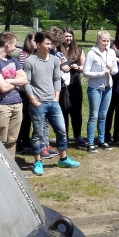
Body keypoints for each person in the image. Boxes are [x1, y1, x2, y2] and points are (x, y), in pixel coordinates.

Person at [24, 31, 81, 176]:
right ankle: (37, 161)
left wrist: (56, 97)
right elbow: (27, 82)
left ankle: (63, 158)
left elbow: (57, 79)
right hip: (38, 103)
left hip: (53, 102)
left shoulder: (55, 60)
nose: (50, 46)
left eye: (51, 43)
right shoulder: (30, 61)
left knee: (61, 130)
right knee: (38, 133)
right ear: (38, 44)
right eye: (47, 43)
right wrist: (33, 100)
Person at [0, 31, 27, 158]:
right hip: (2, 107)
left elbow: (25, 80)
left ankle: (12, 170)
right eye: (14, 45)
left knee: (12, 140)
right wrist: (16, 81)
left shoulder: (13, 61)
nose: (15, 48)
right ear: (7, 44)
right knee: (1, 141)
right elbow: (2, 88)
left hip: (17, 104)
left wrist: (9, 80)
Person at [83, 30, 118, 152]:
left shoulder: (112, 52)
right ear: (98, 40)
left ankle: (102, 140)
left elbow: (115, 71)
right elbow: (85, 72)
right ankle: (90, 142)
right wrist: (101, 73)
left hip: (108, 86)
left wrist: (111, 69)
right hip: (95, 87)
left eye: (108, 41)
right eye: (103, 40)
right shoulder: (92, 53)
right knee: (94, 115)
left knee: (103, 115)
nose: (106, 43)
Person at [58, 27, 85, 146]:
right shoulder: (57, 49)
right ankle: (65, 137)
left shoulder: (78, 50)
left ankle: (77, 136)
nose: (68, 38)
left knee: (76, 111)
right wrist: (60, 66)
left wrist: (77, 67)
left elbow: (84, 67)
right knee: (63, 111)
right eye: (66, 36)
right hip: (62, 85)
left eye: (70, 36)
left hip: (75, 83)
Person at [16, 32, 40, 155]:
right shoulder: (23, 55)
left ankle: (26, 140)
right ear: (28, 41)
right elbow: (21, 73)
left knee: (29, 117)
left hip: (33, 89)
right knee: (23, 117)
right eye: (34, 41)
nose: (36, 43)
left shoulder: (36, 55)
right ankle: (18, 141)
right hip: (23, 91)